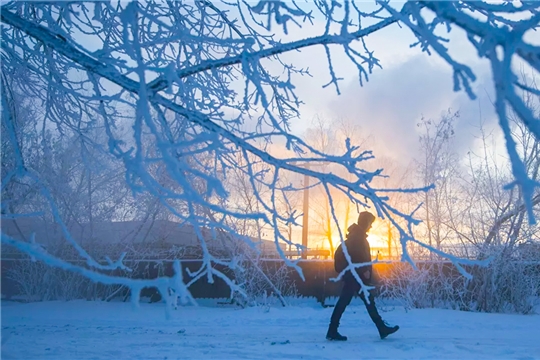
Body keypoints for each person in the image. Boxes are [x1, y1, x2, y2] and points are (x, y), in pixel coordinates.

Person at [326, 211, 399, 341]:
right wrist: (363, 271)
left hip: (355, 277)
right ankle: (333, 330)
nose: (371, 227)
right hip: (355, 278)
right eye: (370, 223)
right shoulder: (357, 239)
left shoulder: (357, 237)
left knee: (358, 302)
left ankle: (381, 328)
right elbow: (356, 259)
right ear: (365, 222)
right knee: (354, 302)